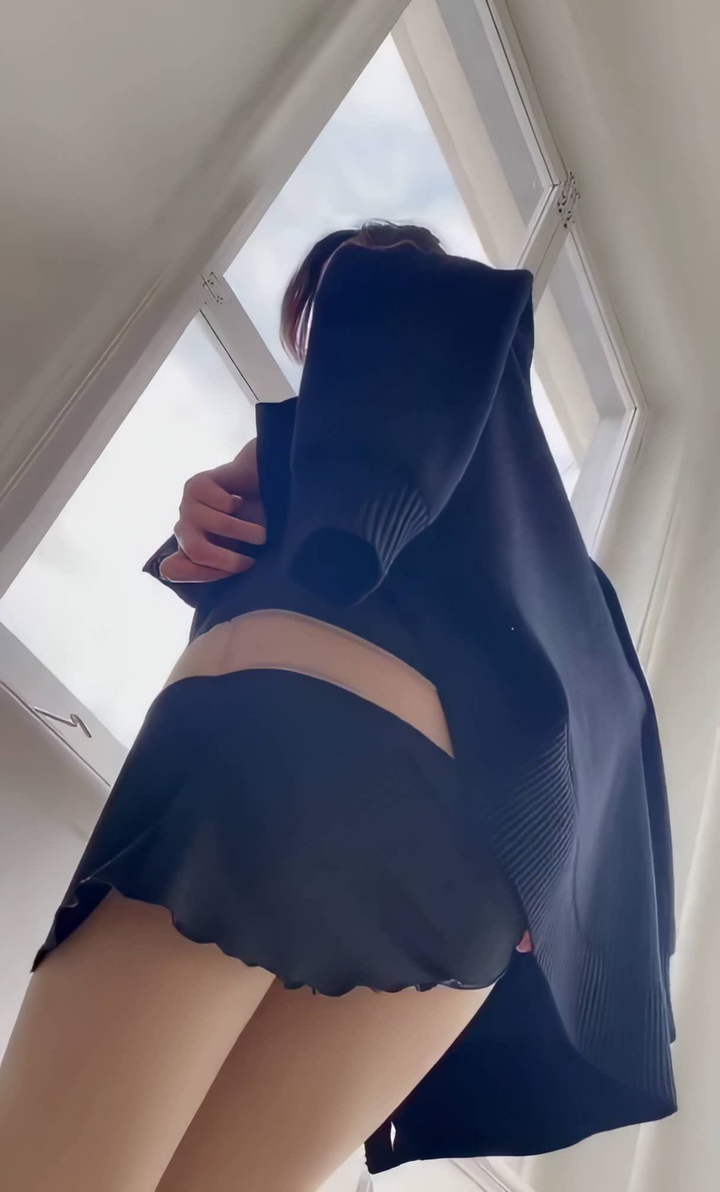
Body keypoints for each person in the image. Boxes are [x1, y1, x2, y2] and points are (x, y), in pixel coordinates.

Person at [0, 223, 676, 1191]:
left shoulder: (403, 296)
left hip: (293, 758)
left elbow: (416, 317)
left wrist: (311, 472)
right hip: (482, 888)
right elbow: (616, 751)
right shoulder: (571, 585)